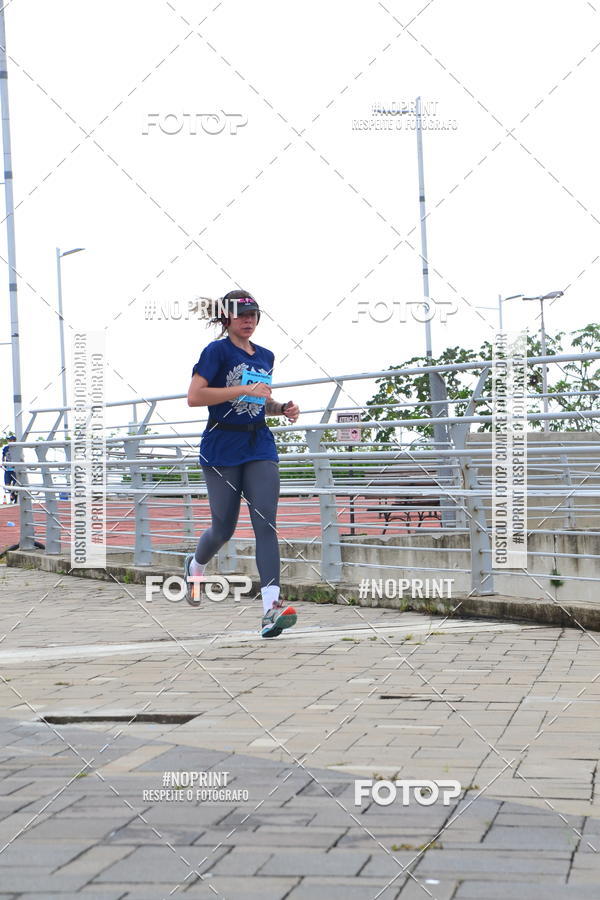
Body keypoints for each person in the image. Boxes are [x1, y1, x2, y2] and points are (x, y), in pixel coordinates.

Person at [186, 290, 300, 638]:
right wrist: (240, 392)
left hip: (259, 443)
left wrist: (280, 409)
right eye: (241, 316)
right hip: (222, 444)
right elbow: (195, 396)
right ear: (227, 319)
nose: (248, 320)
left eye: (253, 315)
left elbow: (257, 401)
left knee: (266, 522)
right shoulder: (216, 351)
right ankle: (195, 565)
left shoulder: (265, 356)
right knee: (224, 529)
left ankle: (270, 609)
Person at [2, 435, 18, 504]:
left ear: (14, 441)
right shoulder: (6, 448)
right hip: (7, 469)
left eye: (11, 440)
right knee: (7, 485)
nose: (10, 441)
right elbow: (3, 457)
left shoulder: (17, 448)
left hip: (15, 470)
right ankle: (12, 495)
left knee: (15, 485)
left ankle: (14, 498)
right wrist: (3, 464)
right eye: (9, 440)